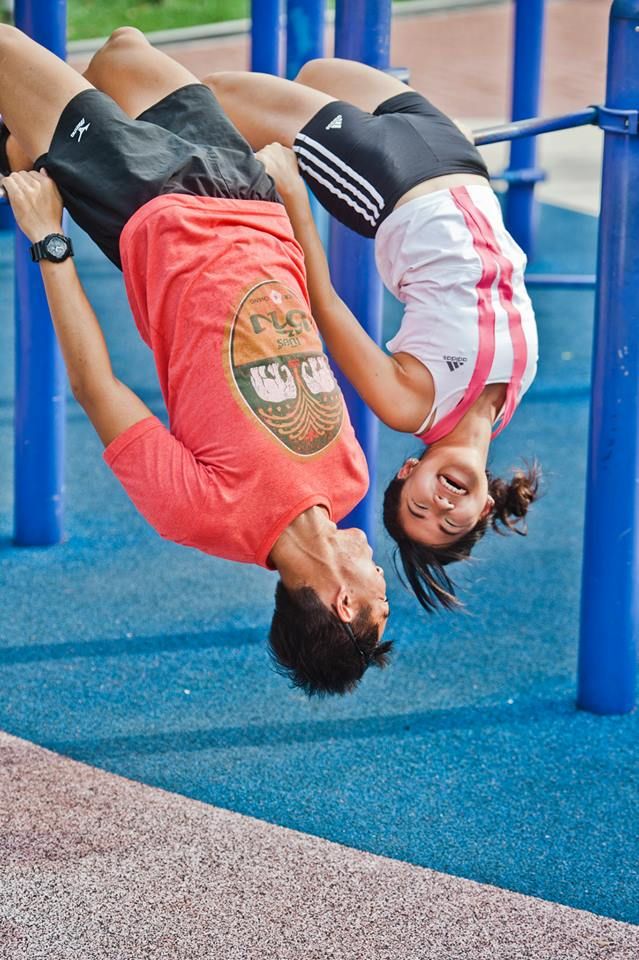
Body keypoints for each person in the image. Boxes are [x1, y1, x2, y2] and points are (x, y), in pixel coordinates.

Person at [0, 27, 391, 694]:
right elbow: (296, 324)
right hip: (249, 195)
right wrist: (293, 208)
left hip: (147, 200)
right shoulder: (349, 477)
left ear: (342, 602)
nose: (383, 577)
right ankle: (28, 139)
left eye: (379, 599)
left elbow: (97, 388)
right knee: (121, 51)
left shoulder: (205, 516)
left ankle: (34, 136)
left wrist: (49, 239)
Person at [202, 59, 541, 613]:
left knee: (215, 94)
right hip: (454, 154)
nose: (440, 508)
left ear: (409, 472)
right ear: (482, 508)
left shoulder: (412, 407)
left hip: (383, 179)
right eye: (450, 523)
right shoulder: (509, 400)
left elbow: (326, 306)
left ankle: (77, 131)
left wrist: (294, 196)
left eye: (419, 509)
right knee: (315, 73)